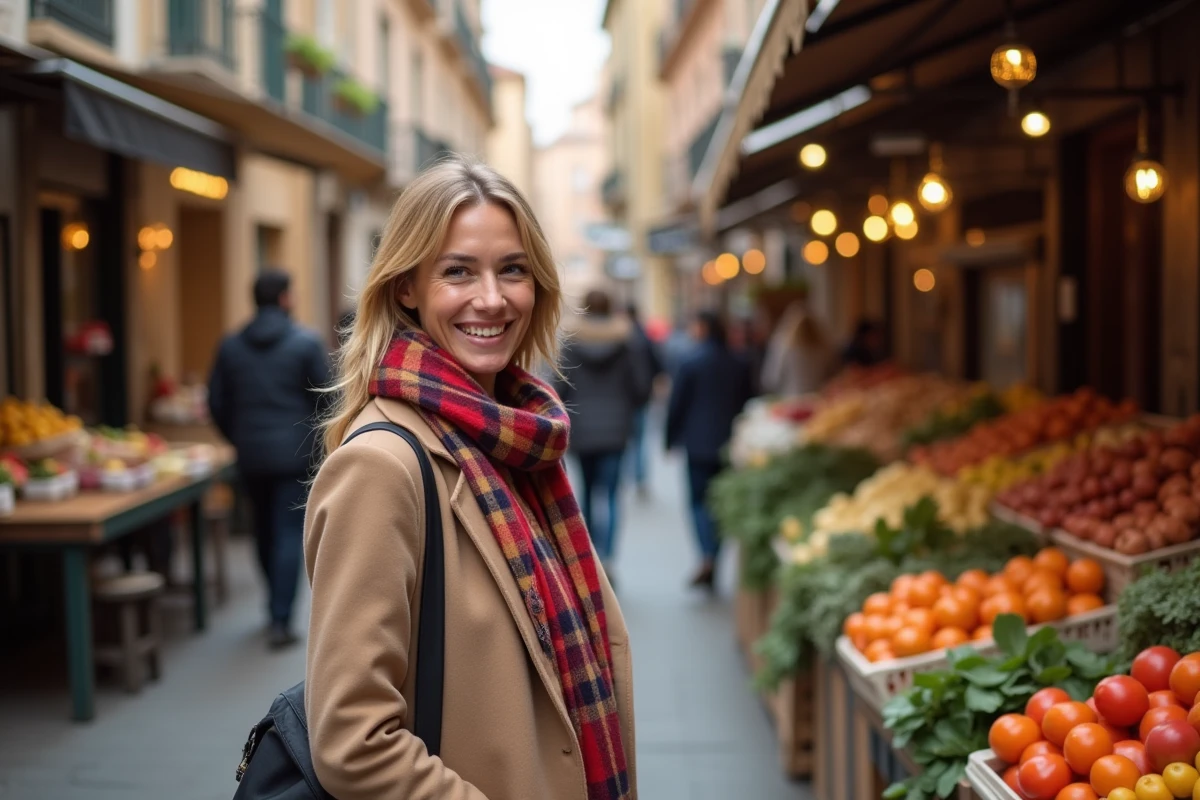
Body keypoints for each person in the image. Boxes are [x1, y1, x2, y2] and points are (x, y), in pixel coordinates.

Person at [305, 158, 635, 799]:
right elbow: (352, 741)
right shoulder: (382, 466)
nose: (492, 298)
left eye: (512, 269)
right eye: (458, 271)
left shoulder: (518, 445)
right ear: (407, 287)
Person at [208, 269, 330, 649]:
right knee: (288, 532)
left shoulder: (230, 345)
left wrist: (240, 437)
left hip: (251, 455)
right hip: (294, 455)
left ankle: (272, 606)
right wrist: (316, 442)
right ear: (283, 298)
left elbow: (216, 403)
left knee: (263, 528)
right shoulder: (306, 343)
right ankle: (280, 618)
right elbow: (326, 398)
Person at [554, 291, 652, 573]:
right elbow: (641, 387)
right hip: (616, 429)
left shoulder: (571, 343)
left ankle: (589, 556)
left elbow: (559, 386)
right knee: (610, 494)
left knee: (585, 492)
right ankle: (607, 556)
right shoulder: (627, 340)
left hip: (582, 428)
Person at [665, 310, 753, 590]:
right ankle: (714, 554)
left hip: (697, 442)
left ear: (702, 327)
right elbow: (750, 400)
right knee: (722, 502)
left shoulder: (691, 361)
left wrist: (670, 438)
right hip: (729, 443)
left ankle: (706, 555)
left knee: (698, 502)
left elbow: (677, 402)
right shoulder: (739, 361)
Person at [623, 302, 663, 498]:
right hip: (641, 398)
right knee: (639, 440)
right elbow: (658, 363)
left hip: (623, 401)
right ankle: (639, 478)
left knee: (628, 440)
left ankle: (629, 476)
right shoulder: (644, 337)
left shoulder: (620, 338)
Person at [760, 299, 835, 398]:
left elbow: (771, 380)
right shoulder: (824, 348)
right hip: (817, 399)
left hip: (791, 399)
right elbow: (832, 374)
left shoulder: (783, 346)